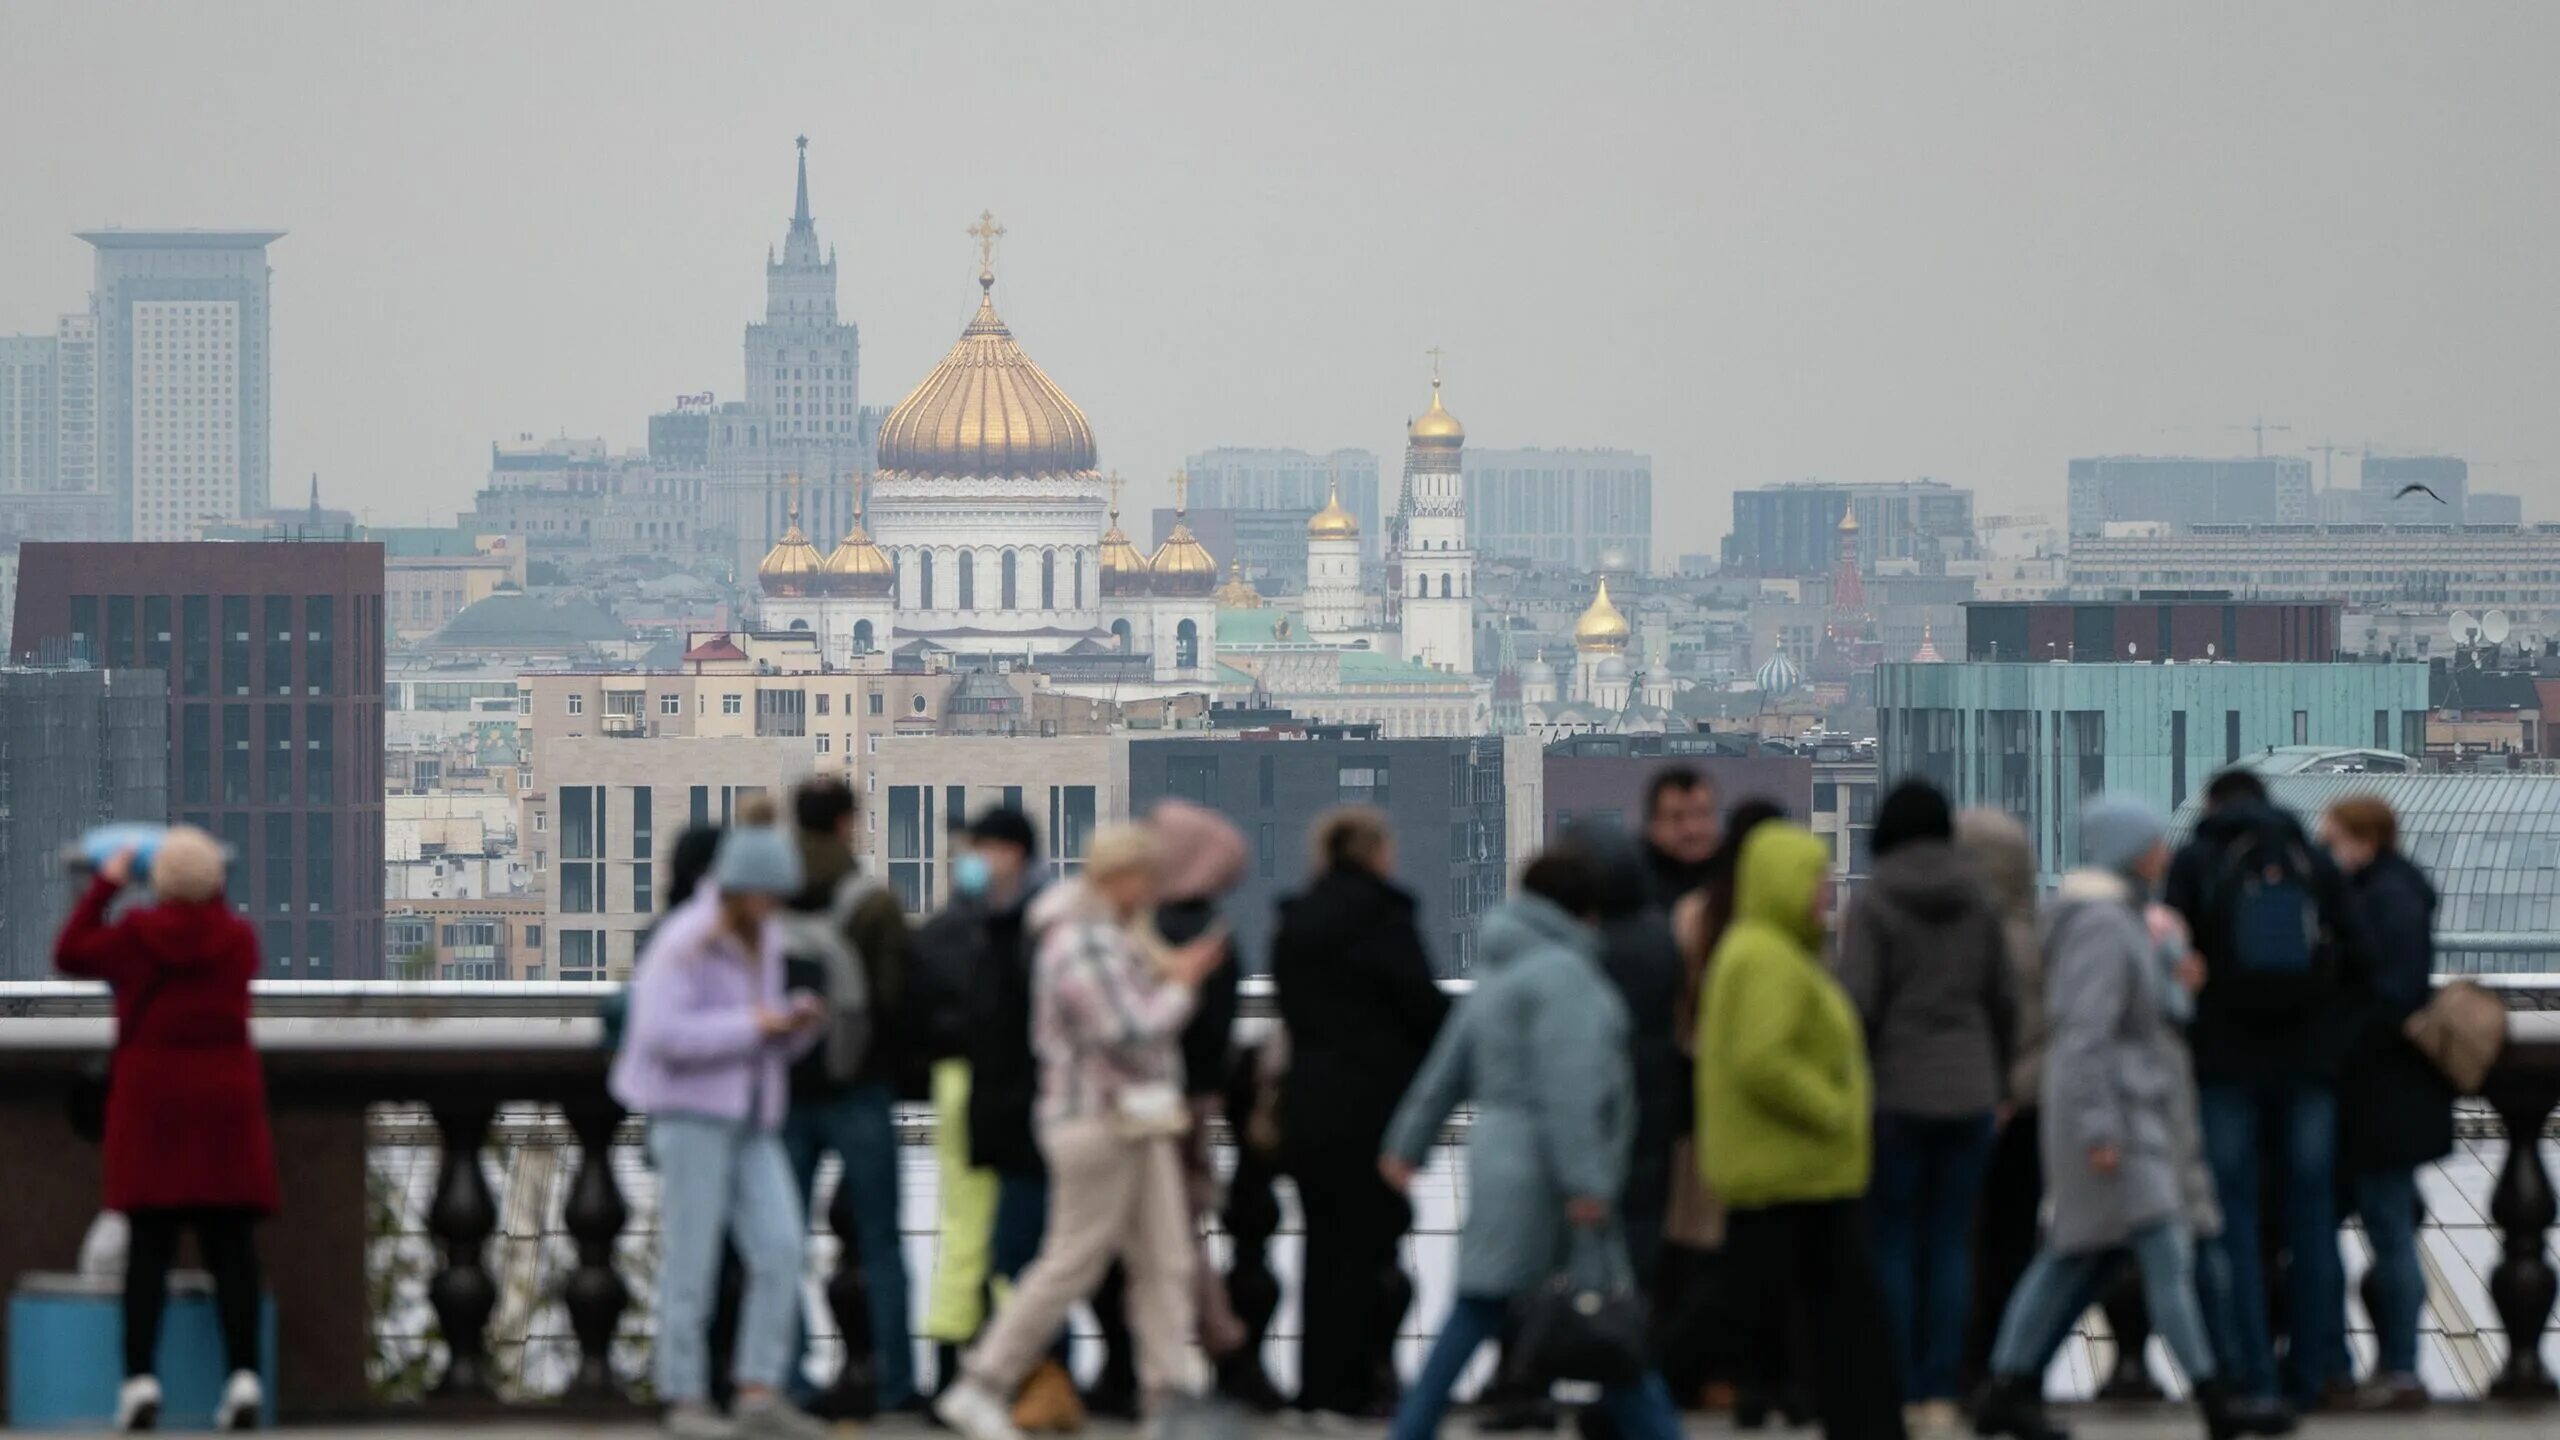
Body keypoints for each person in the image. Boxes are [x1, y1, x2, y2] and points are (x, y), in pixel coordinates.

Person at [1378, 847, 1686, 1440]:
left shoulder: (1500, 968)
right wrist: (1588, 1182)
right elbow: (1570, 1088)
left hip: (1497, 1155)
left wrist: (1407, 1144)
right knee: (1601, 1313)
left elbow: (1448, 1067)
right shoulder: (1564, 976)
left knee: (1485, 1304)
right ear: (1585, 911)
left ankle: (1412, 1428)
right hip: (1549, 1168)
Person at [936, 826, 1229, 1440]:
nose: (1152, 892)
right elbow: (1124, 1031)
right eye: (1145, 878)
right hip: (1097, 1121)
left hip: (1132, 1119)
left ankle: (1169, 1392)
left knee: (1164, 1258)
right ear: (1120, 877)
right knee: (1073, 1260)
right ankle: (984, 1381)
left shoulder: (1098, 936)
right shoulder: (1079, 941)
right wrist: (1182, 987)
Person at [1972, 798, 2245, 1440]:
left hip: (2123, 1116)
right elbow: (2085, 1034)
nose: (2164, 852)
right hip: (2116, 1120)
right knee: (2162, 1252)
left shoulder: (2111, 919)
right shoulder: (2103, 925)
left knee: (2074, 1260)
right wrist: (2098, 1129)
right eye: (2154, 842)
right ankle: (2216, 1396)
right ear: (2131, 851)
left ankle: (2006, 1386)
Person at [609, 805, 833, 1440]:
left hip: (751, 1116)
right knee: (692, 1258)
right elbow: (657, 1035)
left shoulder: (759, 939)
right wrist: (757, 1026)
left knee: (783, 1248)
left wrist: (793, 1030)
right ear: (742, 889)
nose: (776, 907)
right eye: (769, 895)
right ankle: (685, 1397)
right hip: (691, 1119)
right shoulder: (685, 940)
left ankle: (758, 1391)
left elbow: (754, 1037)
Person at [57, 827, 277, 1434]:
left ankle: (139, 1382)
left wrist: (107, 883)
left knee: (147, 1250)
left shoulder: (136, 937)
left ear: (156, 884)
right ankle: (243, 1378)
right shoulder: (238, 941)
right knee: (231, 1247)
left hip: (152, 1103)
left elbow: (71, 952)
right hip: (223, 1104)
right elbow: (209, 929)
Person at [1695, 823, 1904, 1440]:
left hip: (1800, 1171)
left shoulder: (1775, 951)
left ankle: (1865, 1423)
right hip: (1789, 1169)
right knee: (1750, 1308)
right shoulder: (1766, 958)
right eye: (1817, 879)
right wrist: (1833, 1109)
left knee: (1829, 1313)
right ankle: (1622, 1395)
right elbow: (1763, 1058)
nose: (1826, 892)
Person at [2167, 770, 2367, 1413]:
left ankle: (2248, 1373)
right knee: (2312, 1222)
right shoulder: (2309, 856)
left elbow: (2171, 968)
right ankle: (2313, 1373)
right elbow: (2360, 957)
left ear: (2214, 804)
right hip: (2307, 1068)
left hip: (2224, 1067)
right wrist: (2327, 1042)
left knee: (2231, 1223)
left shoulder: (2196, 860)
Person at [1835, 781, 2016, 1431]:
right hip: (1969, 1091)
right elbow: (2004, 999)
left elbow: (1857, 1001)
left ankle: (1900, 1384)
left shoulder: (1877, 899)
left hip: (1897, 1092)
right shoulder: (1979, 899)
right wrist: (1999, 1083)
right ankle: (1943, 1387)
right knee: (1951, 1245)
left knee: (1894, 1242)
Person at [1270, 807, 1450, 1422]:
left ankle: (1315, 1386)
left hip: (1309, 1106)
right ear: (1377, 853)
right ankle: (1357, 1385)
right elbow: (1423, 1009)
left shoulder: (1294, 923)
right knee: (1369, 1250)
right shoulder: (1386, 919)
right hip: (1373, 1110)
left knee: (1321, 1251)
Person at [1085, 800, 1250, 1415]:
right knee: (1180, 1229)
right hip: (1191, 1098)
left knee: (1133, 1238)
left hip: (1138, 1099)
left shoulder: (1142, 927)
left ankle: (1141, 1369)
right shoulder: (1208, 931)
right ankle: (1212, 1356)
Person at [779, 778, 915, 1414]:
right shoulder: (872, 902)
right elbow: (895, 1002)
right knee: (882, 1239)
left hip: (781, 1086)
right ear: (846, 823)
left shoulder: (762, 899)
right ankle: (893, 1381)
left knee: (780, 1241)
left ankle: (786, 1377)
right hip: (859, 1085)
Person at [1658, 799, 1789, 1415]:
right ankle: (1754, 1376)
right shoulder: (1785, 929)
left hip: (1704, 1107)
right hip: (1772, 1116)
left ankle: (1690, 1377)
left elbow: (1683, 1019)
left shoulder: (1696, 916)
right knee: (1763, 1255)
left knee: (1704, 1252)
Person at [2320, 795, 2449, 1413]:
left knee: (2386, 1229)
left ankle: (2393, 1368)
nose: (2328, 849)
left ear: (2362, 838)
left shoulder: (2383, 897)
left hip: (2377, 1092)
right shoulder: (2396, 890)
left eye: (2334, 837)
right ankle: (2384, 1365)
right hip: (2387, 1094)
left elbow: (2387, 995)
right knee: (2386, 1228)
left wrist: (2336, 1033)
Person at [909, 812, 1020, 1399]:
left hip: (953, 1080)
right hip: (1012, 1084)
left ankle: (949, 1369)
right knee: (1015, 1232)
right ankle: (1012, 1368)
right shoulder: (1022, 930)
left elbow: (913, 1012)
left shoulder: (935, 936)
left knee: (959, 1227)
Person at [1954, 809, 2048, 1395]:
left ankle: (1970, 1362)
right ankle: (2014, 1364)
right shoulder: (2040, 935)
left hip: (1969, 1104)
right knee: (2018, 1240)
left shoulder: (1962, 937)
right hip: (2032, 1108)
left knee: (1968, 1240)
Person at [1641, 765, 1722, 905]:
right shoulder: (1635, 887)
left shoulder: (1735, 878)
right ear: (1653, 825)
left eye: (1702, 814)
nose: (1692, 829)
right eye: (1677, 817)